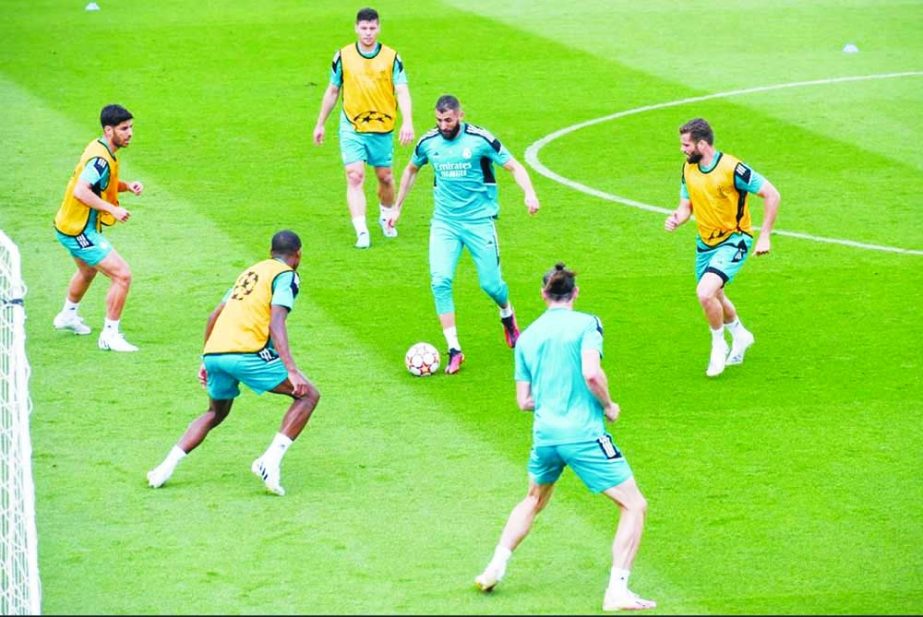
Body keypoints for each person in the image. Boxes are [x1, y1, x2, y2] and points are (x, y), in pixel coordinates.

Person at [474, 263, 655, 612]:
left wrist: (555, 396)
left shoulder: (526, 337)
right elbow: (591, 373)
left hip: (546, 435)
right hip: (583, 434)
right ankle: (617, 590)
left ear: (543, 295)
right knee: (634, 505)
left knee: (533, 499)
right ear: (575, 293)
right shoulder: (588, 324)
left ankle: (495, 566)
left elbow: (523, 401)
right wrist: (608, 404)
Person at [147, 230, 320, 496]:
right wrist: (292, 371)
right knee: (307, 395)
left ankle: (164, 468)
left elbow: (214, 315)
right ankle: (269, 461)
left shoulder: (250, 273)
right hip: (248, 352)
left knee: (215, 413)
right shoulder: (286, 275)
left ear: (270, 251)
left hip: (216, 352)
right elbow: (276, 322)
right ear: (298, 254)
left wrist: (205, 358)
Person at [387, 94, 540, 374]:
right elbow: (411, 170)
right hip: (444, 223)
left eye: (448, 120)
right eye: (438, 120)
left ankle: (507, 315)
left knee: (491, 285)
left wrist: (529, 193)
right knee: (440, 280)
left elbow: (514, 166)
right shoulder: (428, 143)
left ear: (460, 115)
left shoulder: (480, 140)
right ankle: (454, 349)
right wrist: (397, 207)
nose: (443, 125)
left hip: (479, 222)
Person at [665, 117, 781, 377]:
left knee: (705, 293)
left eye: (686, 144)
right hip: (705, 243)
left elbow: (772, 194)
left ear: (702, 144)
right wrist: (676, 219)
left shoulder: (732, 168)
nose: (682, 149)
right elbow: (686, 206)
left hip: (735, 239)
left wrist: (764, 236)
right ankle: (740, 335)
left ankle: (718, 344)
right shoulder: (688, 168)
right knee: (715, 297)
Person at [313, 6, 414, 249]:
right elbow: (333, 90)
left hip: (383, 128)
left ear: (378, 28)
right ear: (356, 28)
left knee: (385, 177)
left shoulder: (391, 58)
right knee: (355, 176)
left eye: (372, 28)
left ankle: (384, 215)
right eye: (364, 28)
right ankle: (361, 231)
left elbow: (401, 90)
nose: (368, 33)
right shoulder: (343, 56)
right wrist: (320, 123)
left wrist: (408, 122)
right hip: (352, 126)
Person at [52, 103, 144, 352]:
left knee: (88, 271)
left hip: (68, 223)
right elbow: (81, 191)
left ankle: (67, 316)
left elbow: (102, 183)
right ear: (108, 130)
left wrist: (127, 186)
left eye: (131, 127)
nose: (130, 133)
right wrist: (113, 209)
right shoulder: (100, 160)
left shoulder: (101, 147)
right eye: (124, 128)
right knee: (122, 275)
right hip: (79, 230)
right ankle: (109, 335)